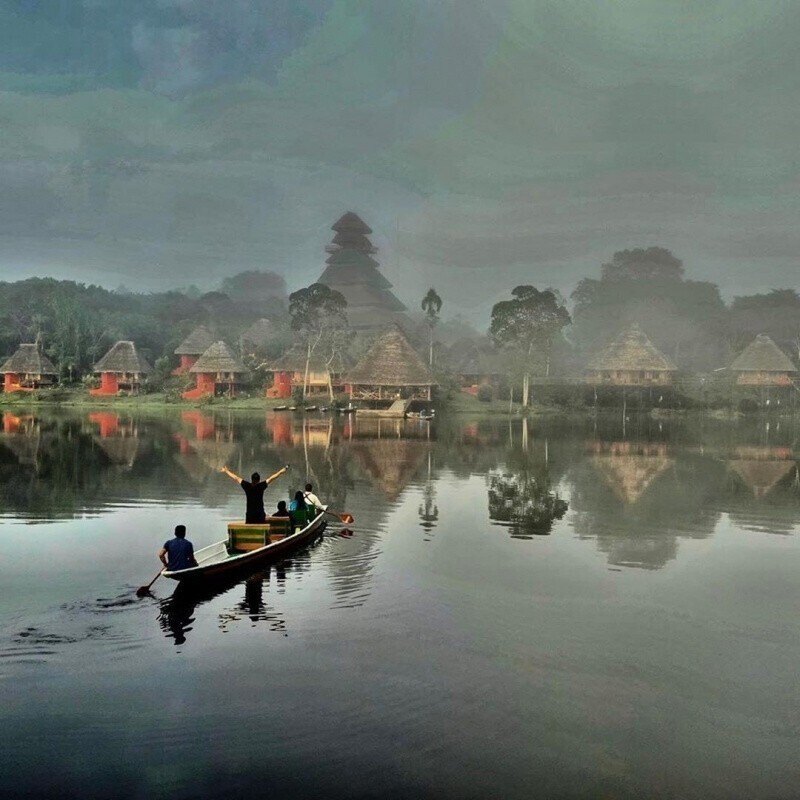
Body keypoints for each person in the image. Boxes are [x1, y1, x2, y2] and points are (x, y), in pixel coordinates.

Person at [220, 464, 288, 524]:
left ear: (251, 479)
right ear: (259, 480)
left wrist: (226, 471)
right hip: (260, 517)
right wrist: (281, 471)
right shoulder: (261, 486)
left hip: (249, 517)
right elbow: (272, 478)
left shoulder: (247, 486)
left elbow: (236, 478)